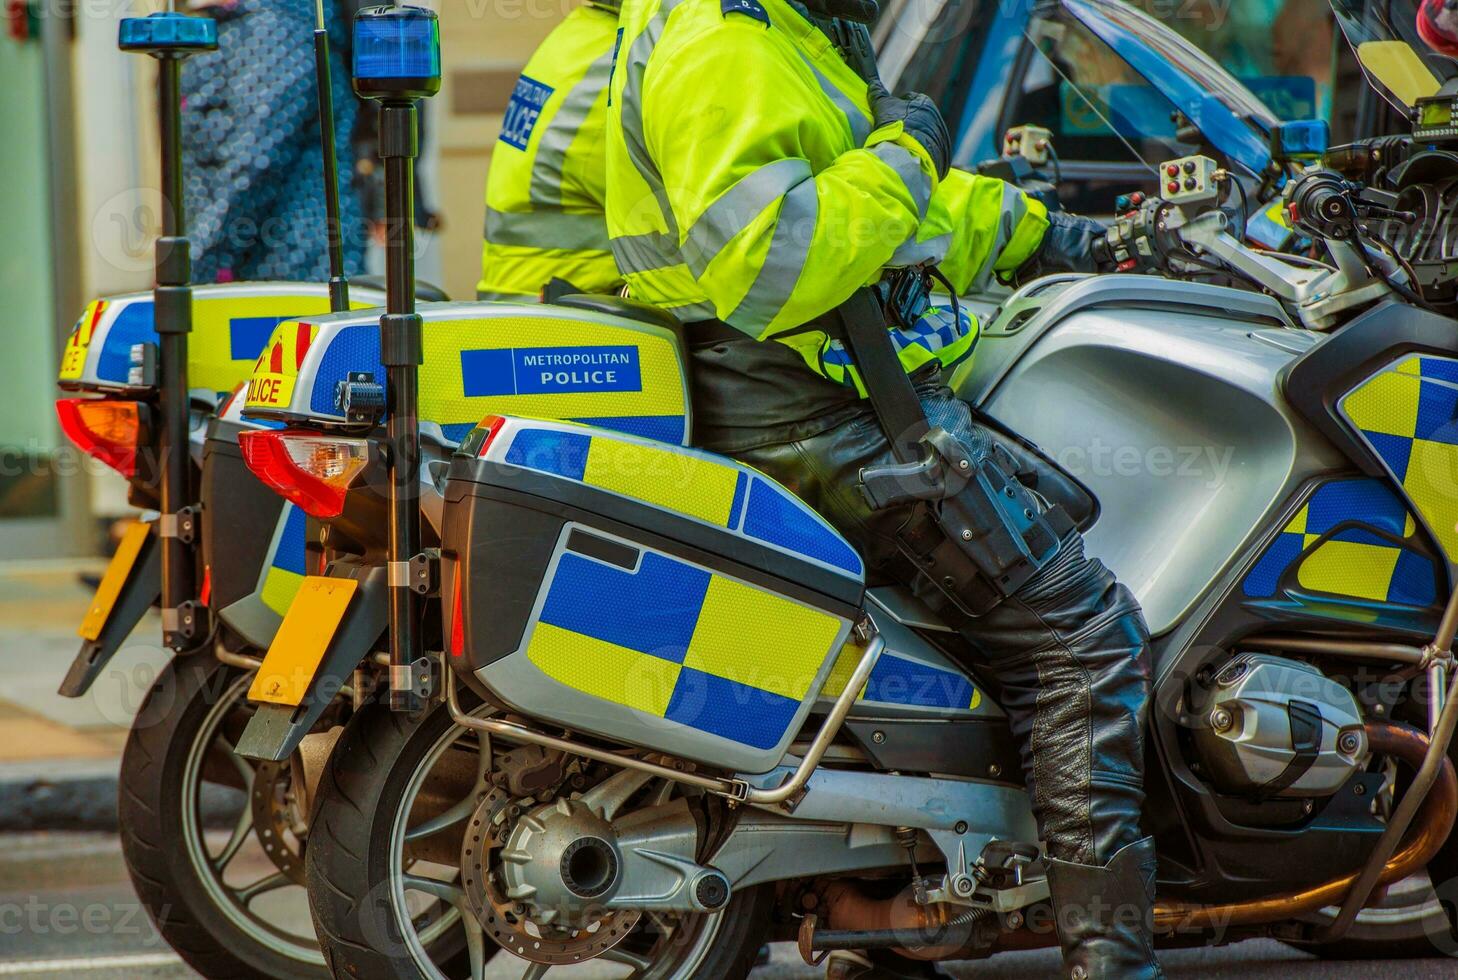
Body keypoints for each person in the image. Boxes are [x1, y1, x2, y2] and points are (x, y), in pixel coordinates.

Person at [602, 1, 1163, 977]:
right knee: (1077, 632)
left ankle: (894, 934)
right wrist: (907, 146)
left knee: (1002, 583)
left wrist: (1050, 233)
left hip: (822, 397)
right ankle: (1111, 960)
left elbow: (886, 217)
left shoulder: (785, 35)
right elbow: (780, 261)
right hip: (817, 418)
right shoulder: (732, 41)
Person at [181, 0, 366, 283]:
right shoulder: (243, 26)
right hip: (256, 261)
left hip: (288, 266)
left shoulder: (278, 29)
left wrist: (192, 267)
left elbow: (254, 163)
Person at [476, 0, 625, 300]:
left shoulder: (577, 37)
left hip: (522, 301)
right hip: (570, 321)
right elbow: (672, 218)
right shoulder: (619, 62)